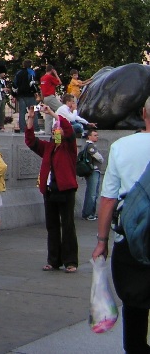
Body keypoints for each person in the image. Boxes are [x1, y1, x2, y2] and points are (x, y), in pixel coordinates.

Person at [92, 95, 150, 354]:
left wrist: (102, 241)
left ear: (143, 114)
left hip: (130, 239)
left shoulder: (122, 147)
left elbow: (108, 199)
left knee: (134, 306)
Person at [25, 105, 79, 272]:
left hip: (66, 189)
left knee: (68, 225)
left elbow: (68, 129)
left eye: (59, 129)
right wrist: (31, 119)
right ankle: (54, 260)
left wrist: (52, 114)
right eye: (55, 129)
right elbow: (31, 141)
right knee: (52, 226)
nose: (57, 131)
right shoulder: (49, 147)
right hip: (50, 190)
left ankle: (70, 261)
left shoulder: (69, 147)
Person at [80, 128, 104, 221]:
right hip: (93, 171)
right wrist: (101, 159)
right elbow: (99, 158)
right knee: (92, 193)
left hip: (93, 171)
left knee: (93, 192)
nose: (97, 137)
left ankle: (90, 213)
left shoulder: (90, 145)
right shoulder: (90, 146)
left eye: (97, 135)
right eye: (94, 135)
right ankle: (88, 213)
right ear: (89, 136)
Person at [12, 58, 38, 133]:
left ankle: (22, 129)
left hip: (21, 95)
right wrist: (35, 91)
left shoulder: (18, 73)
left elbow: (14, 84)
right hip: (30, 95)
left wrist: (14, 95)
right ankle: (35, 128)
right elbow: (32, 83)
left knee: (22, 113)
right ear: (30, 65)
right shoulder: (31, 72)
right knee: (34, 111)